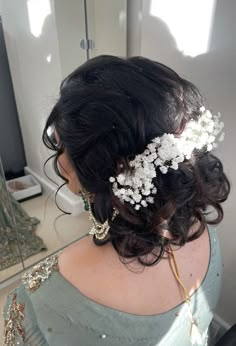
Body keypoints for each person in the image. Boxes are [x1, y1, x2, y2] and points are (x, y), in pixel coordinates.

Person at [2, 55, 230, 346]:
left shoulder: (36, 300)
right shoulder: (203, 231)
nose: (59, 160)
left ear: (94, 171)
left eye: (62, 145)